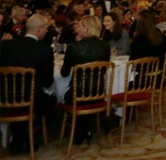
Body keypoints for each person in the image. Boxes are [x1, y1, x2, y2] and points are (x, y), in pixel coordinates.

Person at [0, 14, 55, 155]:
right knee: (52, 99)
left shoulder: (5, 45)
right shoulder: (44, 51)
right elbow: (47, 81)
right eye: (46, 29)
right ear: (38, 30)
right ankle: (29, 134)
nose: (47, 32)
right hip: (31, 101)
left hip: (4, 98)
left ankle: (18, 137)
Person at [59, 15, 111, 145]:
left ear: (86, 29)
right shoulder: (105, 47)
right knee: (83, 91)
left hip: (78, 93)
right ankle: (87, 128)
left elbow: (64, 73)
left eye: (80, 25)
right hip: (98, 92)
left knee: (65, 94)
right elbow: (104, 69)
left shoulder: (73, 48)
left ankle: (81, 132)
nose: (77, 28)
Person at [130, 11, 166, 83]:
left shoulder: (138, 39)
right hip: (159, 77)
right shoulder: (159, 35)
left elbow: (132, 60)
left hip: (142, 80)